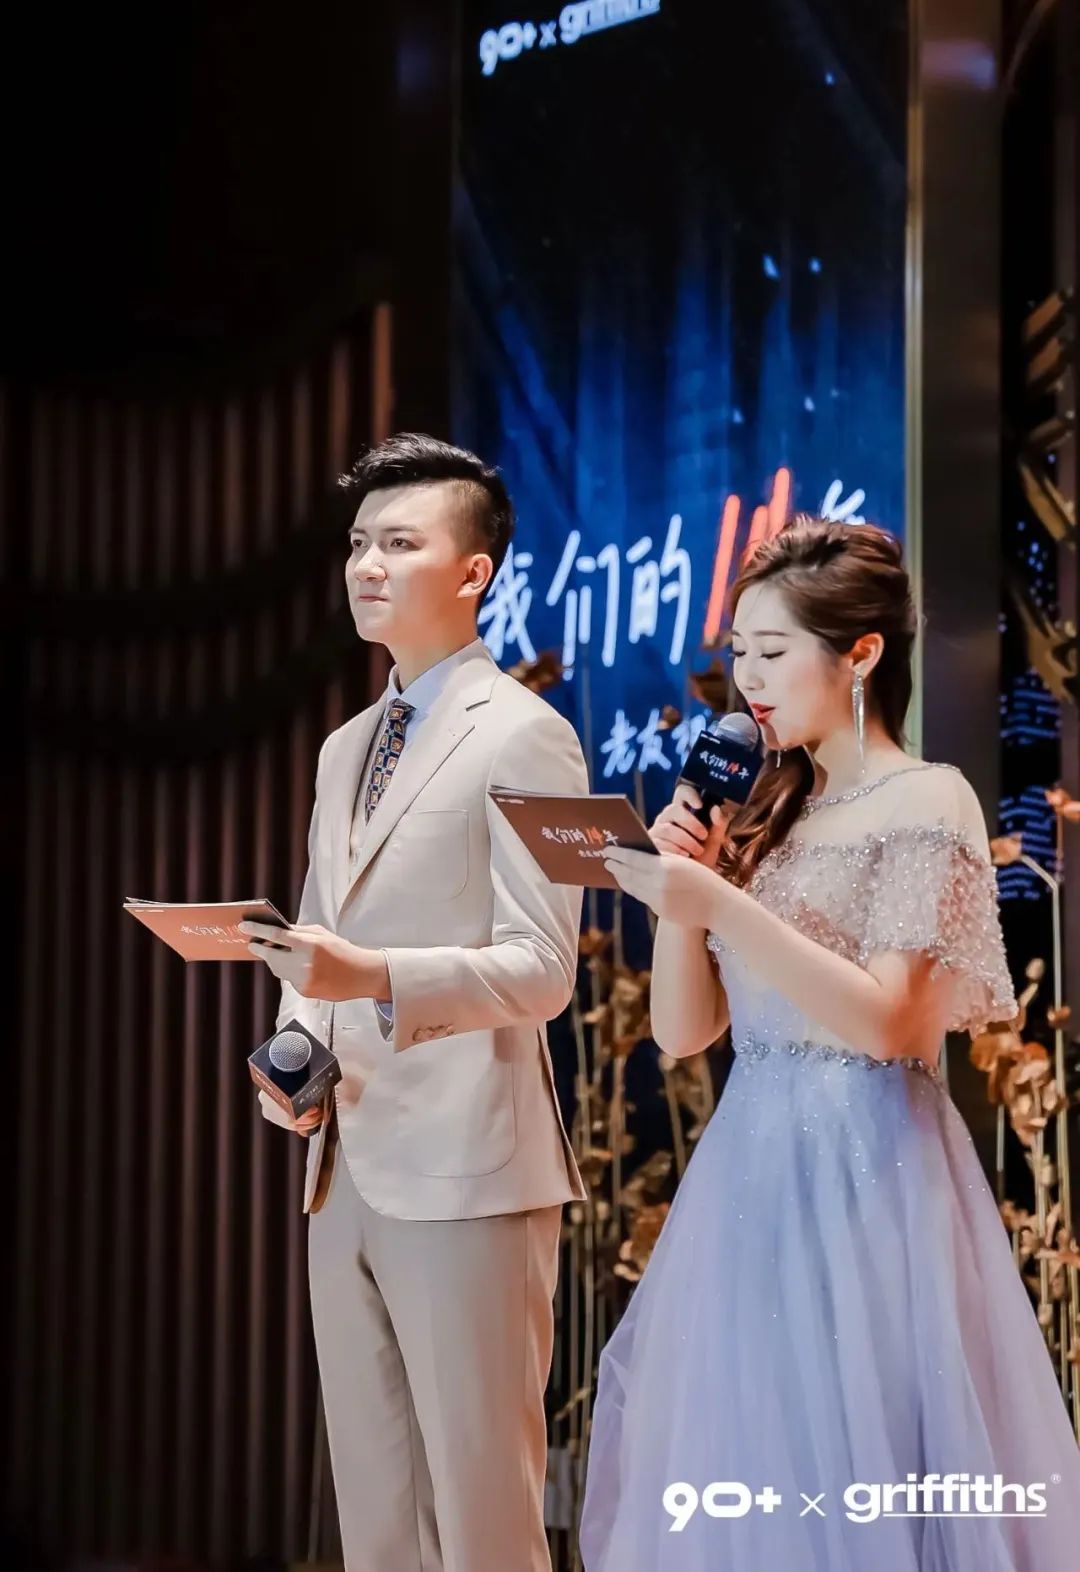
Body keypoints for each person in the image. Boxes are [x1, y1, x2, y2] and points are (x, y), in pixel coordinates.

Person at [579, 517, 1080, 1570]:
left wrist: (720, 900)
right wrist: (684, 895)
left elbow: (892, 1020)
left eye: (772, 652)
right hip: (748, 1182)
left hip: (874, 1174)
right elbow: (684, 1032)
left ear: (862, 654)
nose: (748, 681)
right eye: (739, 655)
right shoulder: (770, 813)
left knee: (871, 1468)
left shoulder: (928, 798)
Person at [242, 432, 588, 1572]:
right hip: (341, 1167)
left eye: (399, 543)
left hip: (470, 1167)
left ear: (473, 571)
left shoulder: (530, 732)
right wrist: (295, 1051)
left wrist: (376, 976)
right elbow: (315, 938)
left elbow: (544, 969)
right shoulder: (346, 747)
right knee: (380, 1523)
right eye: (358, 543)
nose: (366, 566)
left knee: (482, 1517)